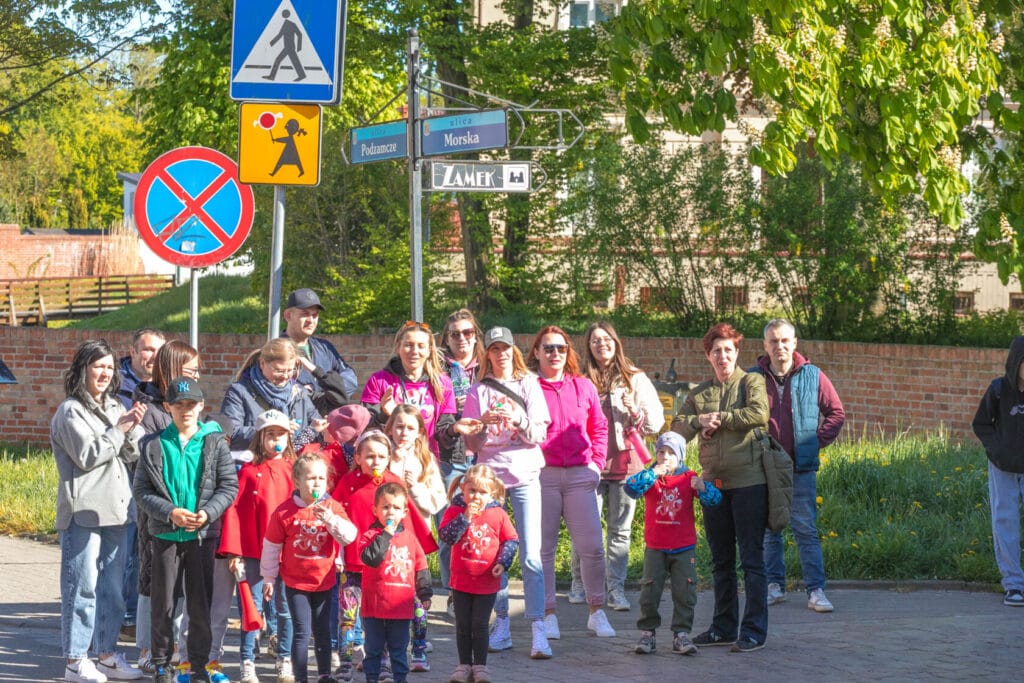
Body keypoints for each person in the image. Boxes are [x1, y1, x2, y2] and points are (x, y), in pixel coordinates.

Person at [52, 339, 147, 683]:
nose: (106, 373)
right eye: (98, 366)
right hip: (84, 513)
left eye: (109, 367)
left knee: (111, 589)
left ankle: (106, 655)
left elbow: (132, 455)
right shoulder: (70, 411)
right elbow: (88, 455)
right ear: (82, 370)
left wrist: (132, 427)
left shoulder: (113, 407)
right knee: (82, 587)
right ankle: (75, 661)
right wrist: (119, 429)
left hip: (119, 511)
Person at [672, 322, 770, 653]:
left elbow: (759, 413)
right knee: (721, 560)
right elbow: (675, 428)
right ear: (708, 356)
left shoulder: (752, 381)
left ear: (737, 352)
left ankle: (753, 630)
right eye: (717, 351)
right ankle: (724, 627)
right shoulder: (699, 393)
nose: (723, 356)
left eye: (729, 349)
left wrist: (721, 418)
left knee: (752, 560)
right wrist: (699, 421)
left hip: (749, 483)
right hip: (712, 486)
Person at [133, 377, 238, 683]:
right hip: (165, 536)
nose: (185, 410)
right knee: (163, 605)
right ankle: (162, 664)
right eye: (178, 405)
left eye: (191, 404)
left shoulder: (214, 442)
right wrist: (171, 513)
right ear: (168, 407)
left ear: (201, 406)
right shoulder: (154, 444)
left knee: (199, 604)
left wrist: (207, 513)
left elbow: (228, 486)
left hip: (202, 537)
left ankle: (199, 666)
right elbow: (141, 490)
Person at [460, 326, 551, 658]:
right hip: (490, 479)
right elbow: (471, 444)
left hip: (525, 473)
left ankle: (538, 627)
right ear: (487, 354)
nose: (500, 355)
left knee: (530, 553)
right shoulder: (478, 390)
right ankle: (501, 624)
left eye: (505, 349)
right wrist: (481, 425)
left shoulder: (529, 385)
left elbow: (538, 434)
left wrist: (517, 418)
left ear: (514, 351)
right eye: (494, 349)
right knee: (492, 553)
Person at [568, 321, 665, 611]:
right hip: (589, 463)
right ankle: (580, 583)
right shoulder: (580, 378)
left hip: (626, 464)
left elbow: (655, 423)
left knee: (620, 532)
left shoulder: (634, 377)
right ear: (588, 346)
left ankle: (616, 590)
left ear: (616, 341)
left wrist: (633, 409)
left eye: (606, 338)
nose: (601, 344)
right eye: (595, 340)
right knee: (585, 529)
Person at [526, 325, 614, 639]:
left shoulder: (583, 386)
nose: (555, 354)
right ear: (536, 352)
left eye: (561, 348)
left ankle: (597, 610)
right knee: (543, 549)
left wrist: (596, 464)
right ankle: (548, 613)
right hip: (542, 476)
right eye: (548, 348)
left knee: (591, 546)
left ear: (569, 352)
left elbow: (600, 427)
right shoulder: (528, 387)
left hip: (580, 475)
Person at [751, 319, 845, 613]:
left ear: (794, 343)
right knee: (770, 529)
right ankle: (774, 586)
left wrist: (813, 443)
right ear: (765, 346)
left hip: (801, 467)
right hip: (764, 467)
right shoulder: (752, 377)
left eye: (784, 341)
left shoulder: (813, 375)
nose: (779, 346)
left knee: (805, 529)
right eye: (773, 341)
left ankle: (815, 590)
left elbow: (836, 414)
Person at [331, 432, 439, 682]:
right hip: (355, 564)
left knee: (385, 616)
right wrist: (336, 554)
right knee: (348, 617)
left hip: (385, 570)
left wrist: (414, 564)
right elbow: (335, 520)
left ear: (389, 458)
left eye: (381, 456)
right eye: (369, 456)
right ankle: (346, 662)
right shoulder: (348, 483)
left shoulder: (393, 484)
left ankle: (384, 664)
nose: (375, 461)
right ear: (357, 457)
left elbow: (407, 525)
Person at [129, 341, 201, 677]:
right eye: (190, 371)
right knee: (152, 579)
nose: (197, 376)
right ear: (172, 371)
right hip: (157, 509)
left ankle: (168, 647)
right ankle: (147, 648)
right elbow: (145, 455)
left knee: (179, 582)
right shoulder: (147, 407)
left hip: (188, 509)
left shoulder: (189, 406)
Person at [218, 409, 300, 683]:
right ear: (260, 437)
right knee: (251, 609)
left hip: (287, 553)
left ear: (288, 438)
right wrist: (234, 552)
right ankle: (247, 661)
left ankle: (284, 659)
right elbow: (235, 512)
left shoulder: (294, 471)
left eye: (281, 434)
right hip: (254, 551)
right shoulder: (249, 472)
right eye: (270, 434)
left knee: (284, 608)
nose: (275, 440)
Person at [261, 453, 357, 683]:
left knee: (323, 630)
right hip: (296, 582)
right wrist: (268, 577)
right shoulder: (285, 512)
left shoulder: (332, 506)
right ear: (297, 481)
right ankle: (301, 676)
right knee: (302, 631)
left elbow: (349, 536)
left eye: (321, 478)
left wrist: (331, 520)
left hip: (324, 579)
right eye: (310, 478)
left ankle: (324, 674)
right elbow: (271, 546)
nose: (316, 483)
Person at [625, 432, 721, 656]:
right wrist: (650, 474)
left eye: (671, 453)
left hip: (683, 546)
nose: (665, 457)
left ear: (680, 457)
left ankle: (681, 633)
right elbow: (630, 489)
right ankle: (647, 633)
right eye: (661, 452)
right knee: (649, 590)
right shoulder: (651, 478)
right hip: (655, 546)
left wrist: (703, 488)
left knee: (685, 591)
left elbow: (715, 502)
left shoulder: (689, 478)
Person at [438, 465, 519, 683]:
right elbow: (446, 536)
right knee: (463, 624)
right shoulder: (455, 510)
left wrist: (503, 562)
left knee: (480, 624)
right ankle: (464, 664)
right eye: (472, 491)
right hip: (461, 579)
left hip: (486, 580)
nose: (476, 497)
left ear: (492, 493)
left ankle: (480, 666)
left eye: (483, 492)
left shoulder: (498, 514)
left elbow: (510, 540)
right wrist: (465, 517)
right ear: (463, 489)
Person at [384, 405, 446, 672]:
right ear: (389, 428)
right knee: (388, 589)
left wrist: (416, 487)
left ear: (420, 431)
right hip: (387, 538)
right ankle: (386, 647)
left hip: (416, 538)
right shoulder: (382, 454)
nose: (403, 433)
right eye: (398, 426)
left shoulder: (426, 458)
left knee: (419, 594)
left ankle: (419, 644)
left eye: (410, 428)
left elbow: (437, 500)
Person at [116, 328, 165, 646]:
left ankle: (131, 617)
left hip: (151, 480)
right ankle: (124, 616)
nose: (152, 357)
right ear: (132, 352)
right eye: (147, 350)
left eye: (159, 351)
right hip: (122, 477)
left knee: (141, 551)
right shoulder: (115, 385)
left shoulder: (165, 388)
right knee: (125, 552)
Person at [357, 482, 433, 683]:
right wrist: (386, 535)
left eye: (396, 508)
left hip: (400, 607)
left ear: (405, 512)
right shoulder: (369, 536)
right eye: (385, 507)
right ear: (375, 510)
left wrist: (425, 593)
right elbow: (371, 558)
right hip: (374, 607)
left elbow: (421, 565)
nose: (391, 512)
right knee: (373, 649)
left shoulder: (410, 538)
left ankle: (401, 678)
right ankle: (372, 678)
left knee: (398, 650)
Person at [436, 309, 485, 615]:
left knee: (481, 526)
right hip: (450, 456)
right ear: (447, 338)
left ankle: (480, 591)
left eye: (468, 333)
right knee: (450, 527)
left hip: (485, 457)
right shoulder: (437, 369)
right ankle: (453, 592)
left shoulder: (488, 367)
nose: (462, 339)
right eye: (455, 334)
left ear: (475, 335)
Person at [972, 335, 1024, 607]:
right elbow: (981, 424)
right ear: (1016, 363)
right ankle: (1014, 585)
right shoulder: (999, 390)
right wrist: (997, 451)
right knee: (1006, 522)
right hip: (1002, 468)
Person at [360, 321, 458, 457]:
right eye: (408, 345)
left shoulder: (443, 383)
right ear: (398, 347)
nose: (414, 351)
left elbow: (444, 436)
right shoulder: (379, 380)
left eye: (421, 346)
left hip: (426, 462)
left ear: (429, 350)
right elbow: (366, 432)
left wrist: (455, 429)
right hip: (388, 461)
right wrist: (383, 415)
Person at [222, 337, 326, 451]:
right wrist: (272, 429)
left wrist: (323, 428)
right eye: (279, 370)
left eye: (290, 370)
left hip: (291, 466)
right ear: (262, 363)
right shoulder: (239, 391)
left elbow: (317, 428)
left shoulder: (299, 393)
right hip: (254, 464)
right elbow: (231, 435)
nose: (285, 376)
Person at [282, 288, 358, 414]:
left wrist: (318, 393)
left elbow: (351, 379)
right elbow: (270, 387)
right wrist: (330, 390)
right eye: (305, 314)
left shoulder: (325, 348)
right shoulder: (277, 350)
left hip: (327, 423)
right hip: (295, 424)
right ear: (288, 315)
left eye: (315, 315)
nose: (311, 320)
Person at [117, 328, 166, 409]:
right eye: (149, 350)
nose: (156, 357)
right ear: (132, 352)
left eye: (161, 351)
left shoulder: (168, 387)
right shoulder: (112, 384)